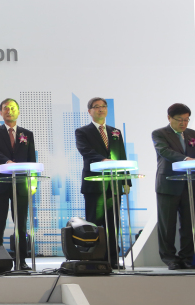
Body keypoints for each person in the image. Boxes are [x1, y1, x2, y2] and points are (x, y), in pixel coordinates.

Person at [75, 97, 130, 269]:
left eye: (103, 107)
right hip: (94, 184)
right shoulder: (82, 132)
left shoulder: (115, 132)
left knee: (113, 223)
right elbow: (86, 151)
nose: (100, 109)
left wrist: (126, 180)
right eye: (96, 107)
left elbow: (122, 155)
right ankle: (96, 259)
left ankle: (113, 260)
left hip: (114, 184)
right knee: (96, 223)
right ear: (89, 111)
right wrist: (104, 160)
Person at [0, 98, 36, 270]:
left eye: (13, 108)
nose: (9, 111)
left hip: (21, 183)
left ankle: (21, 260)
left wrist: (33, 180)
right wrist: (7, 162)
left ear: (18, 112)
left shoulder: (27, 134)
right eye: (5, 108)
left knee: (21, 224)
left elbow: (31, 159)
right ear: (0, 113)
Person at [151, 103, 195, 270]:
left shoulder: (192, 134)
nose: (183, 123)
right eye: (179, 120)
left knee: (189, 224)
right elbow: (165, 152)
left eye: (186, 120)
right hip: (168, 184)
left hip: (190, 185)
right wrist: (185, 159)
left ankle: (186, 257)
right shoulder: (159, 134)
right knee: (167, 225)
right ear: (169, 118)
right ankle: (169, 258)